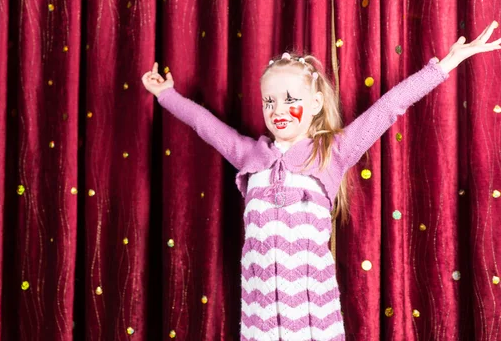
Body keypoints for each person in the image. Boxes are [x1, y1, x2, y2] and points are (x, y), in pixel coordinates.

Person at [141, 21, 501, 341]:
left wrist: (445, 65)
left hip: (314, 318)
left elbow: (389, 107)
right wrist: (165, 94)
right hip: (259, 316)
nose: (278, 110)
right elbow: (204, 125)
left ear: (314, 103)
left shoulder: (332, 152)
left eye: (290, 99)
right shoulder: (250, 155)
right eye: (269, 101)